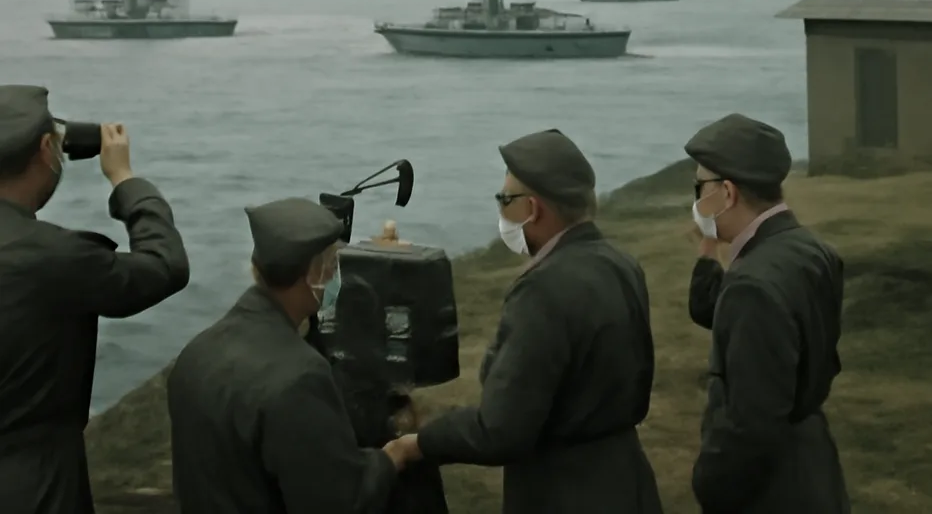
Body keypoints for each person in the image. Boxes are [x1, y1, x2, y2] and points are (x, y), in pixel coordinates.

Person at [385, 128, 663, 514]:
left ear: (532, 209)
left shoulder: (544, 290)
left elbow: (500, 429)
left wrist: (417, 443)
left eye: (505, 199)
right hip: (628, 480)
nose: (500, 208)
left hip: (564, 492)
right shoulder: (622, 265)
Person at [0, 84, 191, 514]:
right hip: (33, 485)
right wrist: (125, 179)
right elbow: (164, 267)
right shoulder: (53, 257)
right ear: (48, 148)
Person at [166, 196, 403, 513]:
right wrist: (395, 455)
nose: (335, 275)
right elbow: (339, 500)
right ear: (313, 275)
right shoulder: (300, 377)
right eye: (332, 266)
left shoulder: (196, 353)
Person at [685, 113, 850, 513]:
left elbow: (751, 424)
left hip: (772, 488)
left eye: (699, 187)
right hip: (814, 461)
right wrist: (709, 248)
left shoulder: (752, 284)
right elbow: (715, 309)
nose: (695, 201)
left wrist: (709, 484)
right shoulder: (810, 249)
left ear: (727, 192)